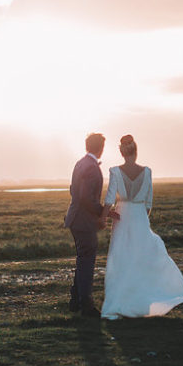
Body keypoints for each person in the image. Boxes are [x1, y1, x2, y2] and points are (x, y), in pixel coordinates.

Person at [100, 134, 183, 320]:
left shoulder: (115, 171)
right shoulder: (147, 172)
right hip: (140, 216)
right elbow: (149, 202)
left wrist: (104, 216)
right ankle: (143, 303)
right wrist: (141, 217)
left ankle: (120, 302)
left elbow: (109, 198)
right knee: (141, 259)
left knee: (121, 258)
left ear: (121, 152)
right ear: (136, 151)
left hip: (122, 216)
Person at [63, 133, 120, 318]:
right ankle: (86, 305)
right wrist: (102, 212)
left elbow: (74, 190)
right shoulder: (91, 167)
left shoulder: (80, 163)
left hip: (75, 218)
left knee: (83, 259)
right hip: (83, 220)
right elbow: (86, 197)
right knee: (87, 261)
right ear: (101, 148)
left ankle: (76, 300)